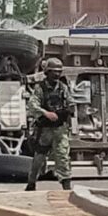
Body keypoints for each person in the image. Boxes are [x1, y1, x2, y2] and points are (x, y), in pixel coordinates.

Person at [26, 58, 74, 191]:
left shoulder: (63, 88)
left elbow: (71, 102)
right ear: (47, 72)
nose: (57, 75)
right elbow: (32, 105)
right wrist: (46, 113)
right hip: (45, 130)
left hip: (60, 129)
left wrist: (69, 110)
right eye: (54, 72)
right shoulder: (40, 88)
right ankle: (31, 183)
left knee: (63, 157)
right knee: (39, 159)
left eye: (59, 72)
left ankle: (67, 188)